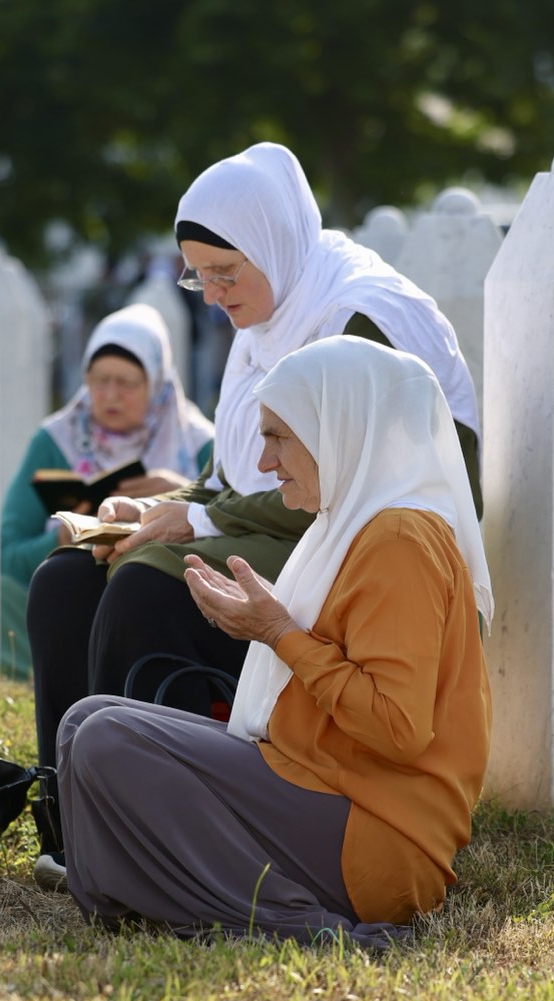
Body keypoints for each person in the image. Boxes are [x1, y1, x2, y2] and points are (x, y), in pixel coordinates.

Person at [25, 142, 481, 883]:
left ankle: (125, 830)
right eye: (198, 275)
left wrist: (198, 522)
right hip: (278, 524)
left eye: (225, 273)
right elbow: (238, 468)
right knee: (67, 578)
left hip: (366, 548)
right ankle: (66, 821)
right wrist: (169, 503)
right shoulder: (263, 323)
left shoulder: (359, 313)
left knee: (146, 582)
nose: (210, 293)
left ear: (275, 243)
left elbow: (357, 484)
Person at [52, 336, 493, 947]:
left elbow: (398, 728)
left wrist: (277, 631)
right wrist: (273, 615)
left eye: (280, 437)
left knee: (107, 740)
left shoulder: (399, 540)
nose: (264, 463)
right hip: (325, 782)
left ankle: (308, 926)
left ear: (338, 428)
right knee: (85, 722)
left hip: (378, 832)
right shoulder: (354, 520)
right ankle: (135, 900)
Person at [0, 303, 213, 678]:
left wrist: (186, 494)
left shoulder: (200, 448)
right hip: (66, 609)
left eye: (127, 383)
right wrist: (62, 539)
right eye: (98, 379)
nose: (110, 394)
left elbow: (238, 523)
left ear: (158, 384)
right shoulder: (56, 443)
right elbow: (7, 557)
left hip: (163, 616)